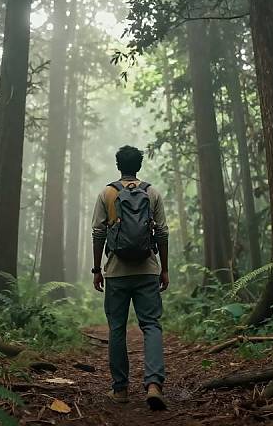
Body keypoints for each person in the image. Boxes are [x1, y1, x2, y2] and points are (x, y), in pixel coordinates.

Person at [91, 145, 169, 411]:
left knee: (116, 329)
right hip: (147, 269)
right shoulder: (152, 192)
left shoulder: (108, 193)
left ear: (118, 165)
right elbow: (163, 233)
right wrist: (164, 269)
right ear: (139, 165)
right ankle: (154, 385)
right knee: (151, 326)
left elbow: (98, 234)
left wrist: (97, 269)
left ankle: (121, 390)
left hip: (116, 272)